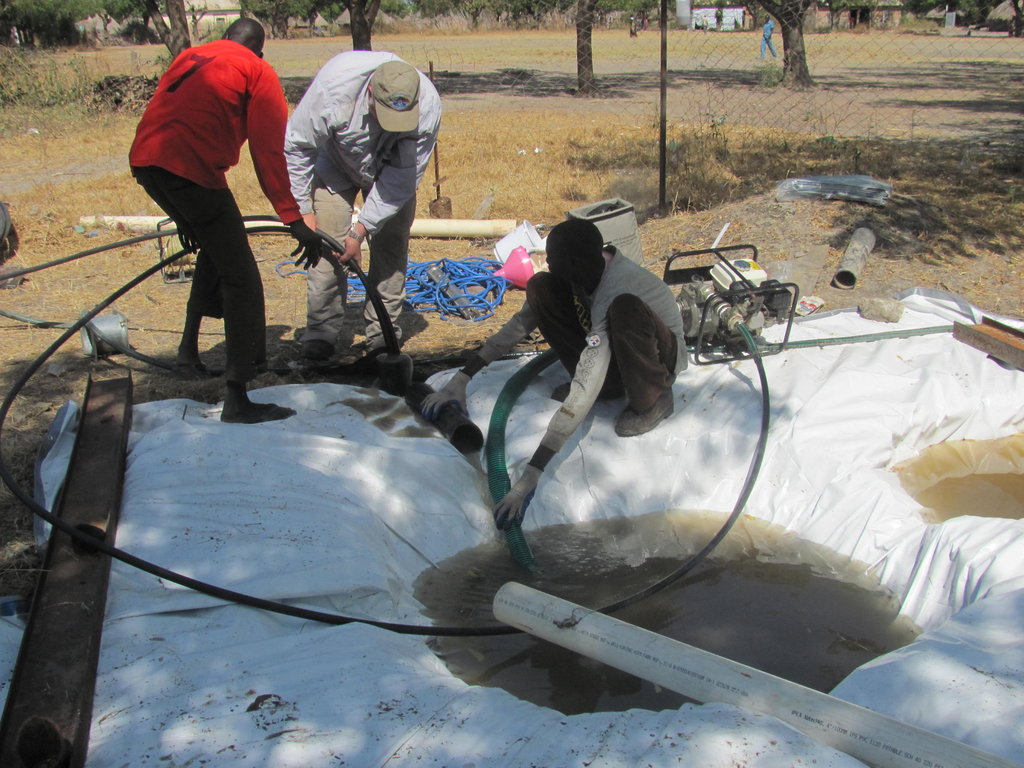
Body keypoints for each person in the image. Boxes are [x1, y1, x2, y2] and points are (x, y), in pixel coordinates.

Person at [423, 218, 687, 531]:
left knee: (625, 308)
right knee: (540, 287)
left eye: (552, 257)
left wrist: (530, 475)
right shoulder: (585, 271)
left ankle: (655, 399)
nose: (546, 262)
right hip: (614, 346)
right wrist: (463, 378)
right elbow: (521, 324)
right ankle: (611, 387)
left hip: (657, 360)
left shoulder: (617, 289)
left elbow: (585, 384)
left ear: (574, 262)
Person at [129, 18, 322, 424]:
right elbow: (269, 152)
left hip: (146, 162)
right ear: (260, 50)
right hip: (191, 172)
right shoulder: (258, 70)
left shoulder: (191, 55)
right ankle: (238, 397)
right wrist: (294, 219)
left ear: (226, 39)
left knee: (216, 252)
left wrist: (183, 216)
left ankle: (187, 355)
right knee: (242, 280)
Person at [284, 52, 442, 363]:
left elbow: (400, 182)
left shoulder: (428, 106)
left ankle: (383, 333)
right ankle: (321, 331)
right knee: (326, 244)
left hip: (390, 173)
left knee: (391, 247)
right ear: (370, 92)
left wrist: (359, 232)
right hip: (336, 163)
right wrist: (302, 211)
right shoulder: (334, 90)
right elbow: (298, 146)